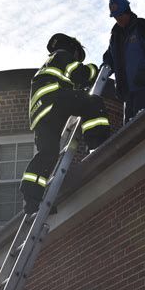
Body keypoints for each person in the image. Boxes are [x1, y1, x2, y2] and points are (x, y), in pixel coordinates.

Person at [20, 33, 111, 214]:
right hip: (54, 100)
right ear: (72, 49)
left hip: (41, 115)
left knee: (48, 154)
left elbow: (69, 81)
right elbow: (80, 74)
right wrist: (94, 69)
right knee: (92, 103)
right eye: (78, 57)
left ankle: (32, 199)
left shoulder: (48, 64)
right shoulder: (63, 55)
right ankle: (97, 143)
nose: (77, 60)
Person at [103, 0, 145, 124]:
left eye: (120, 15)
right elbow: (109, 59)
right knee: (130, 132)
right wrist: (103, 71)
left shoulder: (144, 26)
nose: (118, 19)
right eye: (116, 17)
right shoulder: (115, 37)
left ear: (127, 11)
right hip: (129, 93)